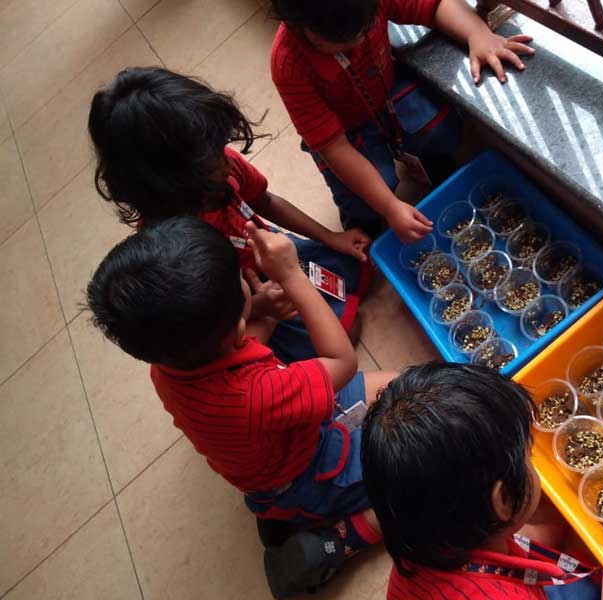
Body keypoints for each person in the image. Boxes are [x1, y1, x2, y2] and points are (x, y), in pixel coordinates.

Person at [86, 216, 397, 597]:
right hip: (310, 467)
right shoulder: (256, 395)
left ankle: (282, 513)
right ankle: (334, 541)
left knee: (398, 386)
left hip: (283, 449)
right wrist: (292, 276)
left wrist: (263, 311)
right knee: (420, 468)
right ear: (236, 327)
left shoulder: (166, 366)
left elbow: (246, 344)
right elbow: (342, 362)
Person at [88, 66, 371, 365]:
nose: (228, 165)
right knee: (346, 330)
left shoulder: (221, 162)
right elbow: (205, 318)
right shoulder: (167, 244)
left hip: (269, 253)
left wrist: (331, 237)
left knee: (363, 264)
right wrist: (260, 307)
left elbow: (266, 201)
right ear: (170, 180)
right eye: (213, 162)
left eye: (222, 149)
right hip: (239, 301)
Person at [269, 0, 535, 242]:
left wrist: (477, 33)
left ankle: (428, 159)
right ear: (299, 27)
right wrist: (389, 206)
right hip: (344, 132)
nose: (359, 43)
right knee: (365, 200)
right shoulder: (288, 66)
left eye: (366, 30)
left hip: (387, 93)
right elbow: (334, 148)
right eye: (341, 43)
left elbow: (435, 6)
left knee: (441, 129)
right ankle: (362, 216)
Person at [362, 363, 603, 599]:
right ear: (504, 500)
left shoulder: (423, 534)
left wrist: (556, 526)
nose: (531, 462)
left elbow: (521, 539)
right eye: (528, 455)